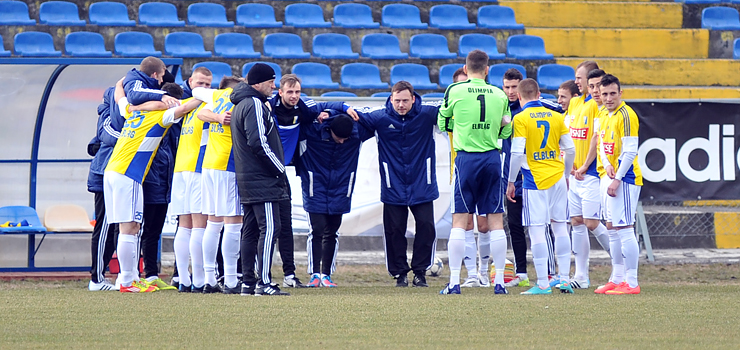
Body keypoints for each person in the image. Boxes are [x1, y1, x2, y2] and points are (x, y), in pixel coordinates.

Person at [105, 80, 201, 293]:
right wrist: (215, 95)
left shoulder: (133, 111)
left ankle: (125, 279)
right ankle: (128, 282)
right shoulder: (160, 115)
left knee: (128, 229)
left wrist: (122, 82)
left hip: (113, 170)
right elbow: (185, 107)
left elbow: (120, 97)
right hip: (128, 173)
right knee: (130, 229)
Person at [266, 74, 355, 288]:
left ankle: (308, 275)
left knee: (287, 226)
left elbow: (325, 105)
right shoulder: (266, 107)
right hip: (265, 169)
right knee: (268, 226)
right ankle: (254, 274)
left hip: (283, 170)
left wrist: (342, 106)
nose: (294, 96)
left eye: (297, 92)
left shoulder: (304, 108)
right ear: (280, 92)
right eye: (290, 92)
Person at [438, 50, 512, 295]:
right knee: (496, 221)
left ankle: (454, 282)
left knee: (460, 221)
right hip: (492, 158)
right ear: (487, 69)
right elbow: (506, 129)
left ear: (466, 68)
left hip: (466, 158)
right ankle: (499, 282)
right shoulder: (499, 94)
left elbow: (442, 122)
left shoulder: (454, 90)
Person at [354, 81, 441, 288]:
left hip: (423, 183)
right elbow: (353, 120)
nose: (401, 105)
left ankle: (420, 271)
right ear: (391, 99)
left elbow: (455, 109)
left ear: (413, 99)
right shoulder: (380, 117)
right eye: (397, 100)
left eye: (405, 100)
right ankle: (399, 273)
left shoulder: (428, 114)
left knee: (427, 228)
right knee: (394, 231)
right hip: (393, 185)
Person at [505, 79, 576, 295]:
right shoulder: (556, 116)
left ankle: (543, 283)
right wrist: (565, 174)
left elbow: (517, 153)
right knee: (560, 227)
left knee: (537, 230)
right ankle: (564, 279)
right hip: (556, 177)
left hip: (534, 180)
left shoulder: (521, 118)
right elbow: (570, 149)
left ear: (519, 96)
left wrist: (510, 181)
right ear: (539, 94)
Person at [230, 63, 290, 296]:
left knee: (251, 230)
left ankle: (248, 282)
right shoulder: (254, 103)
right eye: (270, 82)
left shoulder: (241, 104)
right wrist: (279, 170)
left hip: (247, 177)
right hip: (261, 179)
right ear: (257, 83)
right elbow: (259, 142)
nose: (274, 87)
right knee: (270, 228)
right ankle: (264, 282)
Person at [298, 114, 374, 287]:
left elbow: (375, 120)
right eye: (339, 138)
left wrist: (350, 111)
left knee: (332, 232)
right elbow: (297, 116)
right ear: (329, 130)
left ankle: (326, 274)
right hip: (314, 188)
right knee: (316, 230)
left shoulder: (356, 134)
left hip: (341, 190)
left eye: (345, 139)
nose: (342, 141)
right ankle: (314, 274)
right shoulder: (312, 131)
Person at [192, 76, 244, 294]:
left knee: (213, 223)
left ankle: (209, 278)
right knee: (233, 222)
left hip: (209, 165)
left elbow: (196, 96)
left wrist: (215, 116)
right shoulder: (237, 99)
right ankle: (231, 280)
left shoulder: (216, 96)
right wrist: (220, 117)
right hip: (227, 164)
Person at [595, 74, 643, 295]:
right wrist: (606, 165)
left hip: (626, 178)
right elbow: (602, 143)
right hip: (610, 175)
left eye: (612, 93)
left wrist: (617, 178)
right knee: (612, 228)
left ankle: (632, 282)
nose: (608, 98)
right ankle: (617, 278)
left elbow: (630, 149)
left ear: (620, 93)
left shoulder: (626, 115)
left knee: (625, 228)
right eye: (604, 94)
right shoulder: (603, 112)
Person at [446, 67, 492, 288]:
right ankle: (471, 274)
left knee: (484, 226)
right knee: (464, 224)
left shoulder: (485, 106)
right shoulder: (453, 108)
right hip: (461, 168)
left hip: (484, 165)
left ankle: (484, 272)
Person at [567, 66, 612, 289]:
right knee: (576, 222)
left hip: (591, 172)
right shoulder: (576, 102)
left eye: (580, 78)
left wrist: (585, 165)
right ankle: (581, 276)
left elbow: (596, 138)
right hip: (575, 174)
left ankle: (622, 261)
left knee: (592, 222)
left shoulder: (598, 105)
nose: (577, 81)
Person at [170, 68, 213, 293]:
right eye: (200, 83)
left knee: (184, 226)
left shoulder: (186, 106)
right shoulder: (205, 105)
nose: (205, 88)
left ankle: (184, 280)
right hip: (196, 169)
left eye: (208, 84)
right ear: (190, 82)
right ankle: (198, 279)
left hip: (181, 169)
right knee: (199, 226)